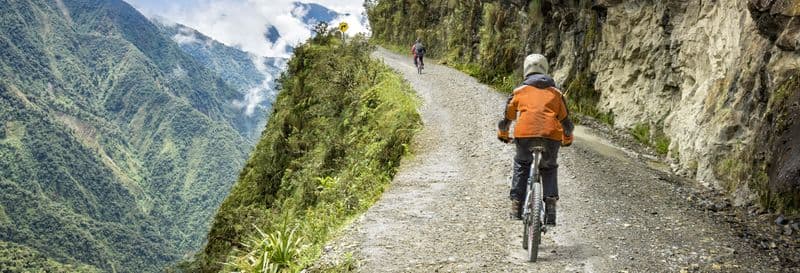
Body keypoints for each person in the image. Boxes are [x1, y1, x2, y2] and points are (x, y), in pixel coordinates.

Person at [497, 53, 574, 225]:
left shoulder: (519, 92)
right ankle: (551, 208)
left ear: (526, 70)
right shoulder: (556, 94)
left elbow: (506, 119)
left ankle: (516, 206)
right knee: (549, 167)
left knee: (522, 164)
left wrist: (503, 134)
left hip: (524, 135)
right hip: (551, 136)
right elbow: (567, 123)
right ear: (545, 70)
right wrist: (567, 137)